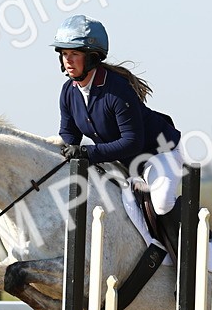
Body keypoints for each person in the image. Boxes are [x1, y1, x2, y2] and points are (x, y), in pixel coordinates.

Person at [52, 14, 185, 213]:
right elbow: (69, 134)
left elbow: (132, 142)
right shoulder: (68, 91)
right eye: (64, 53)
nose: (68, 60)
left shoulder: (117, 89)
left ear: (92, 57)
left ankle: (191, 230)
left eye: (74, 53)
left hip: (158, 153)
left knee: (161, 203)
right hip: (120, 161)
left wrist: (87, 152)